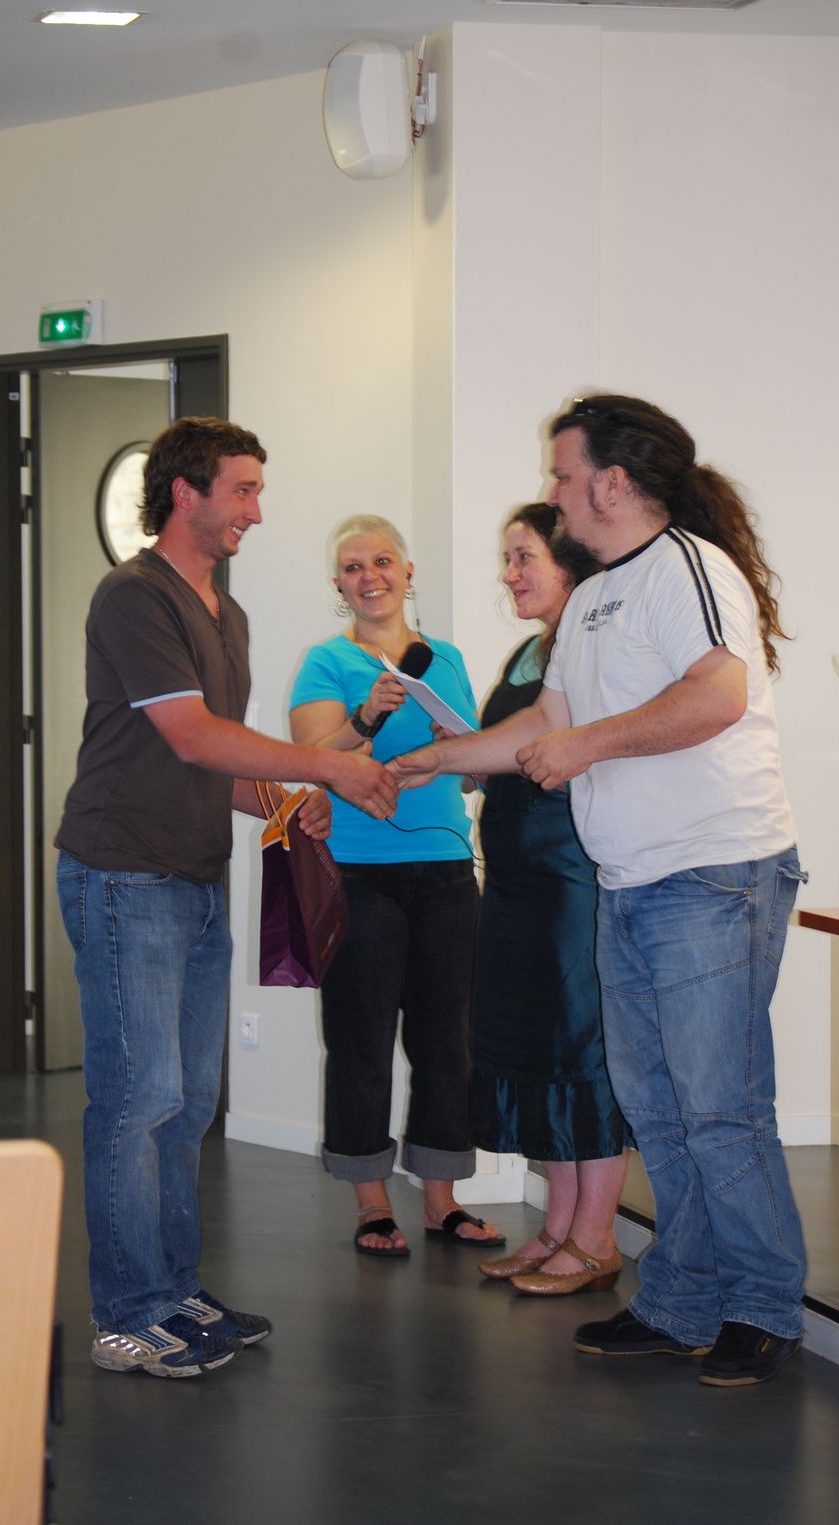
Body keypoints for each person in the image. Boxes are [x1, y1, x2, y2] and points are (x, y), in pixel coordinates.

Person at [390, 395, 806, 1387]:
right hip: (631, 882)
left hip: (712, 874)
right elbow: (544, 722)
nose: (552, 490)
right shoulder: (591, 601)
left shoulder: (688, 567)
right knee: (656, 1112)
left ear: (611, 484)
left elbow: (717, 692)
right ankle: (680, 1301)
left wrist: (588, 744)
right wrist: (432, 758)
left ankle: (761, 1304)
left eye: (562, 473)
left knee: (719, 1110)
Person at [55, 418, 397, 1379]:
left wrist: (284, 801)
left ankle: (173, 1291)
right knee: (138, 1100)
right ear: (185, 492)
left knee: (189, 1101)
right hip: (123, 876)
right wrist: (328, 770)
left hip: (195, 880)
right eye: (242, 490)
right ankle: (127, 1316)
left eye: (256, 490)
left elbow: (218, 762)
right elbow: (193, 735)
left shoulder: (227, 614)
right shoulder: (133, 595)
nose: (256, 510)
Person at [289, 515, 502, 1256]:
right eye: (353, 567)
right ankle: (372, 1202)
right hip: (359, 871)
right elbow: (312, 760)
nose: (369, 576)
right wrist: (366, 716)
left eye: (382, 561)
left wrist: (459, 748)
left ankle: (442, 1200)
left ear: (407, 573)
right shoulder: (327, 661)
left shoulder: (447, 658)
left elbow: (476, 769)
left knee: (448, 1038)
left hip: (446, 868)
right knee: (362, 1038)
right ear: (338, 584)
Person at [473, 504, 630, 1295]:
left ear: (569, 561)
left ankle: (596, 1238)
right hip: (515, 884)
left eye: (523, 557)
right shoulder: (531, 651)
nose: (510, 574)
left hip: (571, 879)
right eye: (507, 559)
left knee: (580, 1052)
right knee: (540, 1054)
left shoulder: (596, 643)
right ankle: (558, 1227)